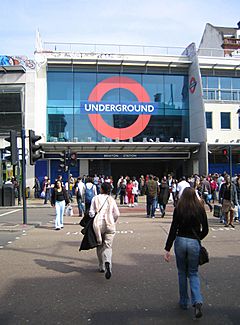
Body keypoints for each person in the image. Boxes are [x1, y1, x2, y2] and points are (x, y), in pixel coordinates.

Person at [164, 187, 208, 319]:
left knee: (182, 272)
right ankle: (197, 300)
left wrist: (167, 248)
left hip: (180, 240)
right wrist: (198, 238)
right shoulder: (199, 208)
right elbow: (205, 228)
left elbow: (173, 228)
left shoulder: (179, 208)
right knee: (193, 273)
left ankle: (184, 301)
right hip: (194, 241)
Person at [89, 182, 120, 279]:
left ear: (101, 189)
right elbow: (117, 213)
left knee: (99, 245)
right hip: (110, 223)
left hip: (98, 224)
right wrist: (113, 220)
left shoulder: (96, 198)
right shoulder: (111, 199)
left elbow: (91, 212)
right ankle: (108, 263)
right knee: (108, 246)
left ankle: (101, 265)